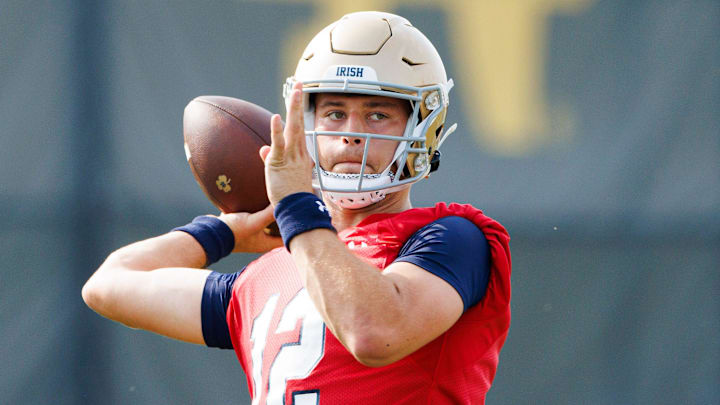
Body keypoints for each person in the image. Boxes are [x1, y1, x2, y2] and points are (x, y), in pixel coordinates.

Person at [82, 11, 511, 404]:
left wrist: (297, 210)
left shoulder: (453, 237)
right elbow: (110, 284)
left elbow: (373, 332)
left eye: (378, 114)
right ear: (303, 126)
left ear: (423, 126)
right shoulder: (270, 273)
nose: (351, 134)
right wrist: (226, 232)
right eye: (335, 112)